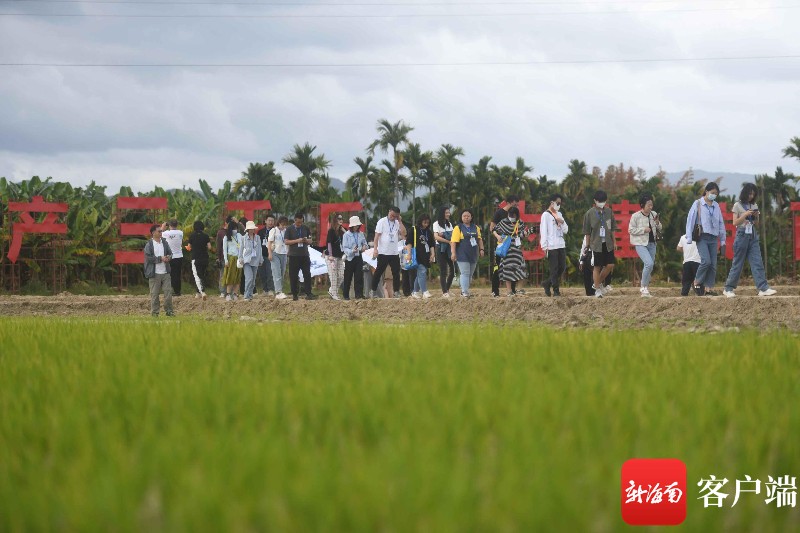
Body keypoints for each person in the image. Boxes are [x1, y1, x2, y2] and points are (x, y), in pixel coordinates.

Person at [723, 183, 777, 298]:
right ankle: (728, 288)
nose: (751, 196)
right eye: (749, 193)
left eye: (753, 194)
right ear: (745, 193)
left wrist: (756, 215)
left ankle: (763, 288)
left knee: (757, 261)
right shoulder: (737, 205)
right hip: (742, 234)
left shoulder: (754, 205)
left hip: (752, 234)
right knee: (738, 263)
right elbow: (735, 223)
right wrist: (745, 214)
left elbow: (755, 223)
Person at [685, 182, 726, 296]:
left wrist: (722, 240)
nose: (714, 195)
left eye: (716, 194)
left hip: (713, 237)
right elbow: (691, 220)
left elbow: (720, 222)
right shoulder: (698, 203)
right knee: (706, 261)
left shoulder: (716, 205)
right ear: (706, 191)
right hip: (702, 236)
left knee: (713, 264)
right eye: (712, 193)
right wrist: (688, 237)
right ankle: (697, 281)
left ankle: (708, 289)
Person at [583, 190, 616, 298]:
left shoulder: (609, 212)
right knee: (597, 267)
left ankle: (596, 283)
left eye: (604, 201)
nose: (602, 203)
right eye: (599, 201)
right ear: (595, 201)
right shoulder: (589, 213)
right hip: (596, 244)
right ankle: (597, 290)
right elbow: (587, 232)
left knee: (610, 265)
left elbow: (613, 229)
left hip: (608, 243)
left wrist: (614, 242)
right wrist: (587, 246)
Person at [628, 193, 663, 298]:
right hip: (640, 243)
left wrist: (657, 223)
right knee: (649, 263)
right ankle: (643, 287)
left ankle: (645, 288)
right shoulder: (636, 216)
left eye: (651, 204)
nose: (650, 207)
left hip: (652, 243)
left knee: (650, 266)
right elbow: (630, 230)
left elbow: (660, 228)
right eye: (648, 205)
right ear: (642, 205)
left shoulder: (653, 214)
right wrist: (643, 230)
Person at [370, 206, 407, 298]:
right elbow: (376, 237)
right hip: (383, 252)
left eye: (395, 216)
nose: (393, 217)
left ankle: (397, 291)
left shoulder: (397, 222)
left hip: (394, 252)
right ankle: (373, 291)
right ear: (389, 211)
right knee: (379, 272)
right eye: (392, 215)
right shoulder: (382, 222)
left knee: (396, 272)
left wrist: (400, 221)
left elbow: (404, 234)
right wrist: (375, 249)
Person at [493, 206, 528, 297]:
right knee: (507, 269)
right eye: (510, 214)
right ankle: (509, 291)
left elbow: (521, 235)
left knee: (521, 268)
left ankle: (519, 289)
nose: (512, 216)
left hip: (517, 249)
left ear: (517, 215)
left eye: (513, 215)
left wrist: (527, 232)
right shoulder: (503, 222)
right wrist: (498, 236)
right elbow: (494, 229)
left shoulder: (520, 223)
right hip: (507, 249)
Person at [490, 195, 519, 297]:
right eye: (515, 204)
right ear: (509, 203)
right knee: (497, 267)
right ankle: (495, 291)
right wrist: (498, 236)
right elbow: (491, 228)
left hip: (512, 246)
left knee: (512, 267)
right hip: (501, 245)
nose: (516, 206)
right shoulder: (499, 213)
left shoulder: (515, 214)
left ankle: (512, 290)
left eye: (517, 205)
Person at [450, 208, 484, 297]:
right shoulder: (458, 228)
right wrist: (453, 253)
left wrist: (481, 249)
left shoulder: (476, 227)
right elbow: (453, 242)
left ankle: (465, 290)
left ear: (471, 217)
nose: (466, 218)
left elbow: (479, 240)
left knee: (470, 274)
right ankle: (464, 291)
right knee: (465, 273)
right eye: (464, 216)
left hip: (473, 254)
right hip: (462, 254)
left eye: (468, 216)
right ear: (461, 217)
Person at [540, 193, 569, 297]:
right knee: (554, 268)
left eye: (560, 203)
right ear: (551, 203)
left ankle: (547, 283)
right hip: (551, 246)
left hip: (561, 244)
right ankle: (556, 290)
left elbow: (566, 230)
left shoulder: (559, 214)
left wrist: (562, 222)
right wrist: (544, 247)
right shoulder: (546, 215)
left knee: (562, 267)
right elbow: (543, 231)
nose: (559, 205)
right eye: (557, 203)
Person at [143, 224, 174, 317]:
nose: (161, 232)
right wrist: (160, 258)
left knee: (168, 293)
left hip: (165, 272)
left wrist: (168, 257)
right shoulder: (149, 244)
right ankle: (155, 313)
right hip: (154, 273)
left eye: (161, 231)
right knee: (154, 295)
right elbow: (148, 258)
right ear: (153, 233)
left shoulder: (164, 242)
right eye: (159, 231)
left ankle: (169, 311)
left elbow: (170, 253)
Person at [285, 212, 317, 301]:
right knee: (293, 275)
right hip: (293, 255)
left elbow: (311, 241)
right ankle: (295, 294)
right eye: (298, 222)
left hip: (304, 255)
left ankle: (308, 293)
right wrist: (297, 240)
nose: (300, 224)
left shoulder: (305, 228)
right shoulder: (289, 229)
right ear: (295, 220)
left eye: (301, 222)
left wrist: (306, 240)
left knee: (307, 274)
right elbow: (286, 241)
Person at [405, 214, 436, 299]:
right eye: (424, 222)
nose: (426, 224)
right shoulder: (413, 229)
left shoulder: (428, 232)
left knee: (420, 273)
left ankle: (415, 292)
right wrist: (409, 254)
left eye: (427, 223)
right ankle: (425, 291)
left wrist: (433, 254)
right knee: (422, 271)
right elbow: (409, 242)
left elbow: (431, 244)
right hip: (416, 254)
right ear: (420, 221)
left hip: (425, 255)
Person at [342, 215, 368, 300]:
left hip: (358, 257)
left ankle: (359, 294)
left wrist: (364, 247)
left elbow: (365, 244)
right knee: (348, 277)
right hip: (350, 258)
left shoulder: (361, 234)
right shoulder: (346, 235)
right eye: (355, 225)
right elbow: (344, 247)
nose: (356, 227)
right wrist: (352, 251)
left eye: (357, 225)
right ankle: (346, 295)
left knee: (359, 276)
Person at [433, 206, 455, 297]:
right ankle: (444, 292)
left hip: (449, 249)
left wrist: (445, 236)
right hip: (440, 248)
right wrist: (448, 240)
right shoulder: (436, 224)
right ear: (442, 213)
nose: (448, 214)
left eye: (449, 212)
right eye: (446, 212)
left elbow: (453, 235)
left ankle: (447, 289)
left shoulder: (449, 224)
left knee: (453, 270)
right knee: (443, 271)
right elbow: (436, 237)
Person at [239, 221, 263, 301]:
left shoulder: (257, 237)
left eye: (253, 229)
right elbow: (241, 249)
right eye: (250, 229)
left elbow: (260, 249)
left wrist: (260, 259)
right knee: (249, 278)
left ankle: (250, 295)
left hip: (255, 260)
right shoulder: (243, 238)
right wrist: (240, 258)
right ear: (247, 230)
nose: (252, 230)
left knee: (253, 280)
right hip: (247, 261)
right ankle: (246, 295)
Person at [188, 220, 211, 300]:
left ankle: (202, 292)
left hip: (195, 258)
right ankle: (198, 293)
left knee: (197, 276)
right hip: (204, 257)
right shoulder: (206, 236)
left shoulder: (192, 236)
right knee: (202, 275)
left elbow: (189, 247)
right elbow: (209, 247)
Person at [268, 216, 289, 300]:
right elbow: (269, 243)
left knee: (282, 272)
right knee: (276, 272)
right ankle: (278, 292)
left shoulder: (285, 231)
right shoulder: (274, 230)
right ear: (279, 223)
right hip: (275, 253)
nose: (283, 226)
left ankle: (280, 290)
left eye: (285, 225)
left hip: (284, 253)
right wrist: (270, 253)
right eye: (282, 224)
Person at [326, 212, 346, 300]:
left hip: (340, 256)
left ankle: (332, 290)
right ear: (335, 220)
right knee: (333, 275)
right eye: (339, 219)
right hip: (331, 256)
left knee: (341, 275)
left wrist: (345, 232)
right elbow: (329, 243)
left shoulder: (342, 231)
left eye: (342, 219)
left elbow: (348, 240)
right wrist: (330, 255)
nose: (341, 220)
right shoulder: (331, 231)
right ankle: (334, 293)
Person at [221, 220, 242, 301]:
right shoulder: (226, 237)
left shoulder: (239, 235)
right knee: (230, 276)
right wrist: (226, 260)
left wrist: (241, 257)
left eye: (236, 228)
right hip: (230, 258)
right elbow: (224, 250)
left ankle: (236, 294)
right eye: (233, 228)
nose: (235, 230)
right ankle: (228, 294)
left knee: (237, 276)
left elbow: (241, 246)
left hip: (238, 258)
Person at [162, 219, 184, 297]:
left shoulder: (166, 233)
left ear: (169, 225)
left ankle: (171, 290)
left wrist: (163, 227)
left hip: (170, 257)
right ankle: (177, 291)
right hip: (179, 256)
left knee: (170, 275)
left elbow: (158, 234)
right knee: (177, 274)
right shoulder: (181, 232)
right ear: (177, 225)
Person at [677, 228, 701, 297]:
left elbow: (678, 248)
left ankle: (684, 293)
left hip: (686, 261)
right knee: (697, 280)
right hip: (697, 261)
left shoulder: (683, 237)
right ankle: (699, 292)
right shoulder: (699, 237)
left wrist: (686, 251)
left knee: (686, 280)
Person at [216, 215, 235, 297]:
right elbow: (218, 246)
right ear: (226, 223)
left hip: (233, 256)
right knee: (223, 274)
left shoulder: (234, 232)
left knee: (231, 275)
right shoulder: (221, 232)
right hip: (223, 257)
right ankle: (222, 291)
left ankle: (230, 292)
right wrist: (218, 257)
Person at [257, 215, 276, 297]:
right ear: (265, 221)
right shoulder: (260, 232)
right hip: (262, 255)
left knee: (270, 273)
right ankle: (265, 289)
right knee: (262, 273)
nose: (270, 222)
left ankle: (271, 289)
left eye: (272, 221)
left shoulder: (275, 231)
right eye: (269, 220)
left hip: (271, 254)